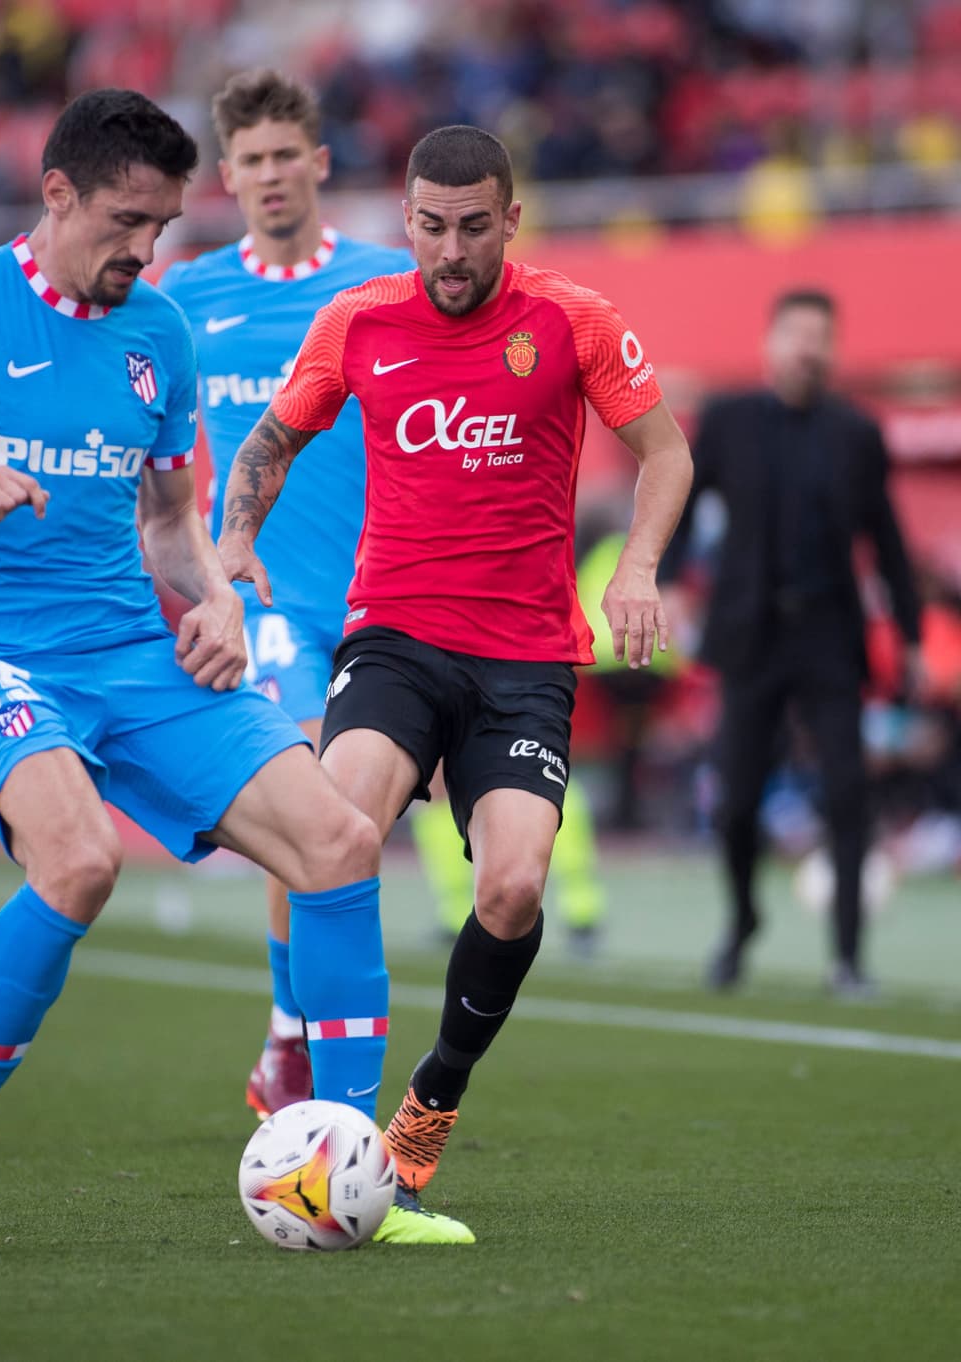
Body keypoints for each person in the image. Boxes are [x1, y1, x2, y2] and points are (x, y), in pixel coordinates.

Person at [0, 88, 408, 1262]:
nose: (143, 249)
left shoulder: (156, 330)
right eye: (126, 221)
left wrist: (216, 599)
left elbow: (170, 519)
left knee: (338, 840)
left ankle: (357, 1165)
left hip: (133, 645)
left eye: (163, 227)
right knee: (78, 861)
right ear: (55, 191)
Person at [218, 124, 692, 1237]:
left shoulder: (571, 321)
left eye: (471, 229)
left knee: (513, 889)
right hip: (393, 640)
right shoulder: (358, 320)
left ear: (509, 222)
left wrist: (635, 567)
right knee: (332, 829)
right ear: (405, 222)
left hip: (525, 656)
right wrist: (238, 538)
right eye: (428, 228)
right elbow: (266, 444)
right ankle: (326, 1099)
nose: (447, 251)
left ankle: (428, 1103)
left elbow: (664, 452)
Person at [158, 69, 419, 1123]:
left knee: (353, 825)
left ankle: (290, 1032)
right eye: (249, 161)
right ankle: (293, 1035)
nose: (268, 176)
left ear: (316, 163)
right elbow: (156, 457)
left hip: (381, 597)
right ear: (227, 176)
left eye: (284, 157)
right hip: (263, 600)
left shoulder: (385, 282)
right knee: (304, 792)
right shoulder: (184, 298)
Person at [662, 288, 921, 997]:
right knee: (736, 800)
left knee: (847, 792)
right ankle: (743, 918)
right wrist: (666, 577)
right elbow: (678, 499)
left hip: (830, 636)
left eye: (821, 337)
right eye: (797, 334)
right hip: (750, 635)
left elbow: (889, 542)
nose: (809, 348)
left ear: (833, 349)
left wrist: (912, 633)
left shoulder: (856, 434)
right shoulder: (728, 421)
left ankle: (847, 957)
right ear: (772, 341)